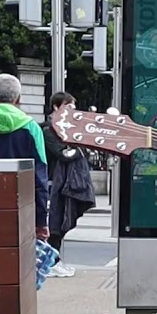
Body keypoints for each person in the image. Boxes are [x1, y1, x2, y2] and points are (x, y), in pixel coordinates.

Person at [0, 74, 49, 244]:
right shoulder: (32, 128)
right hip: (18, 212)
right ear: (18, 99)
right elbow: (40, 180)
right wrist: (41, 221)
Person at [41, 91, 95, 277]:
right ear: (56, 107)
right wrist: (78, 150)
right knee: (53, 224)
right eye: (68, 106)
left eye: (73, 107)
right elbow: (62, 155)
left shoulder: (67, 130)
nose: (72, 111)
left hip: (61, 184)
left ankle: (54, 261)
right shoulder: (48, 130)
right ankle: (50, 262)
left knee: (60, 224)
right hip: (50, 184)